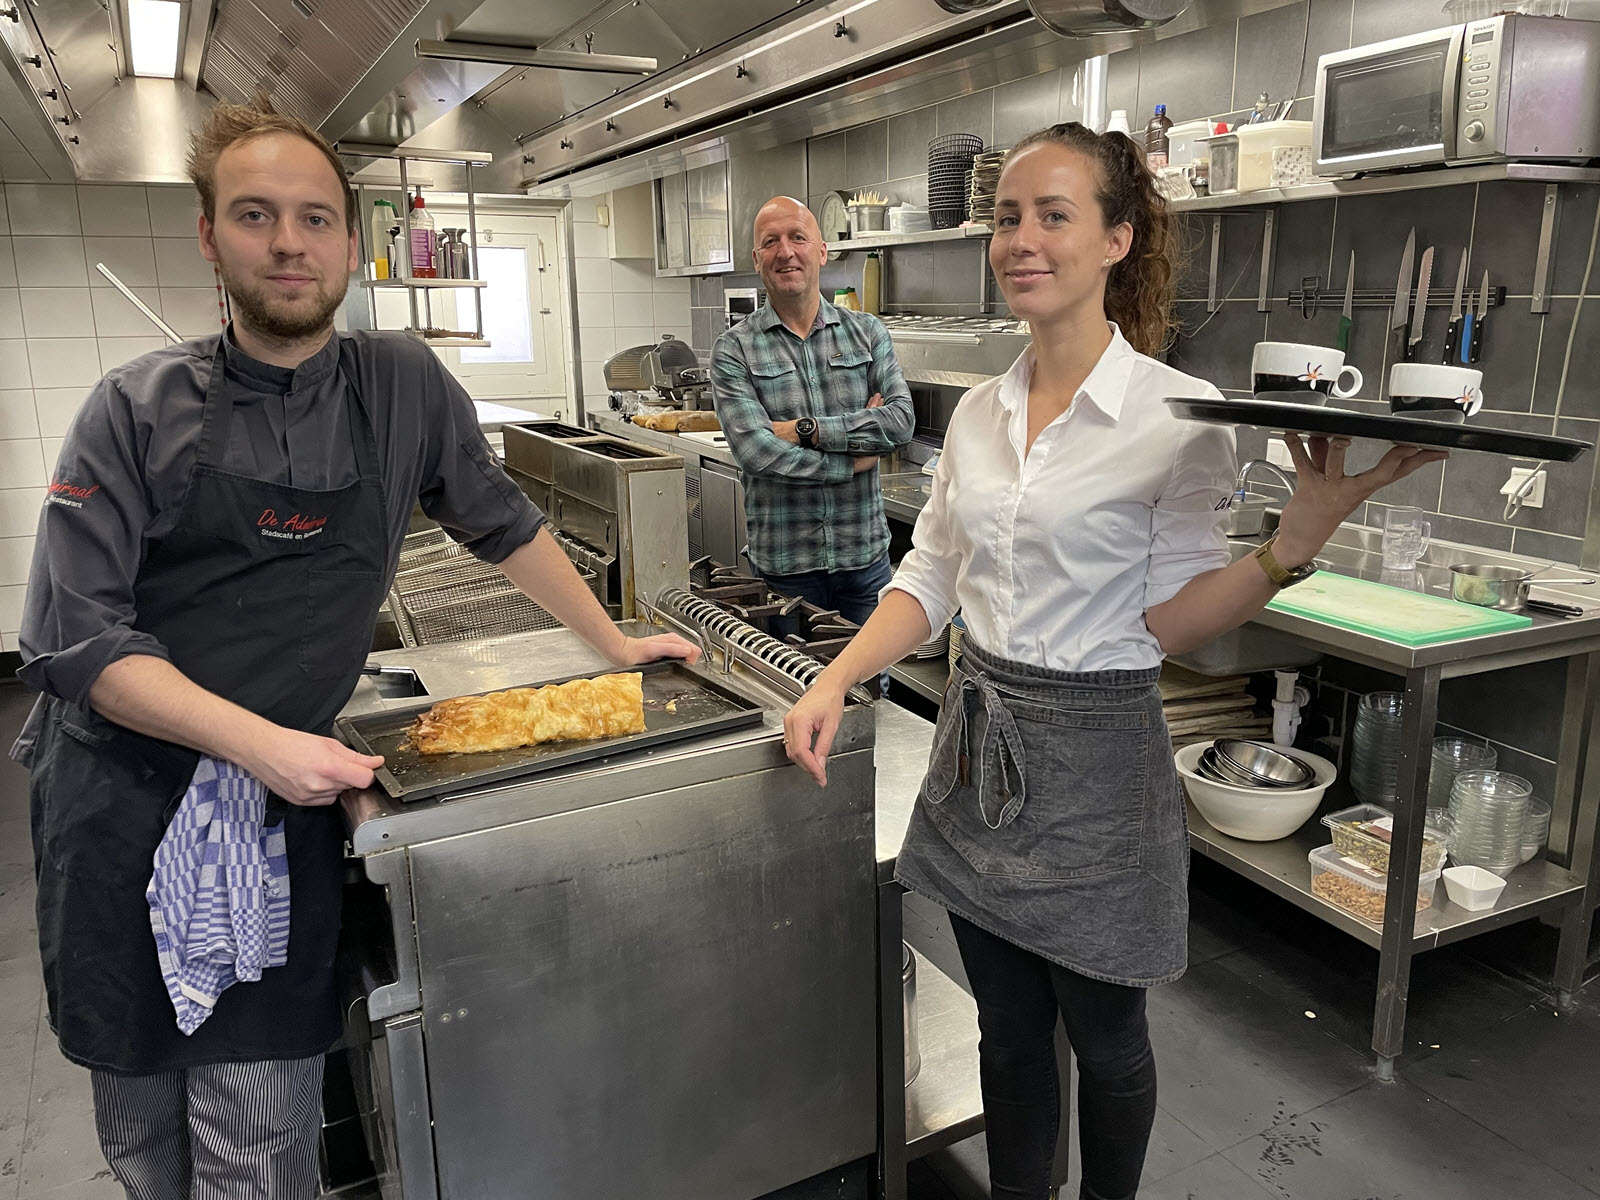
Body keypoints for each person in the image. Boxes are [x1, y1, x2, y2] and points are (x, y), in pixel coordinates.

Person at [10, 97, 696, 1200]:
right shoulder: (132, 410)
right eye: (255, 215)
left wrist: (611, 638)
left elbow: (502, 523)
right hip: (123, 806)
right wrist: (262, 747)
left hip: (273, 812)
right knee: (143, 1127)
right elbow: (72, 638)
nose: (288, 242)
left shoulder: (402, 384)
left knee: (262, 1131)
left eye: (315, 218)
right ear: (209, 235)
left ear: (351, 239)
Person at [782, 123, 1442, 1200]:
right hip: (977, 758)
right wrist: (833, 674)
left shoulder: (1176, 420)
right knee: (1006, 1025)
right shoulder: (978, 418)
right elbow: (930, 578)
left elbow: (1173, 625)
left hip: (1098, 759)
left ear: (1117, 240)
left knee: (1106, 1034)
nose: (1021, 240)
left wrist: (1292, 546)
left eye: (1054, 216)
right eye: (1006, 217)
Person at [710, 196, 915, 625]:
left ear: (821, 250)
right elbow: (757, 452)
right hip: (785, 568)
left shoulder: (867, 332)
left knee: (869, 689)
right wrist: (849, 463)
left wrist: (804, 430)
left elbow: (899, 422)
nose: (785, 252)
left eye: (798, 238)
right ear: (757, 258)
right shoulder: (734, 348)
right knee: (790, 688)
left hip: (864, 559)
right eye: (771, 242)